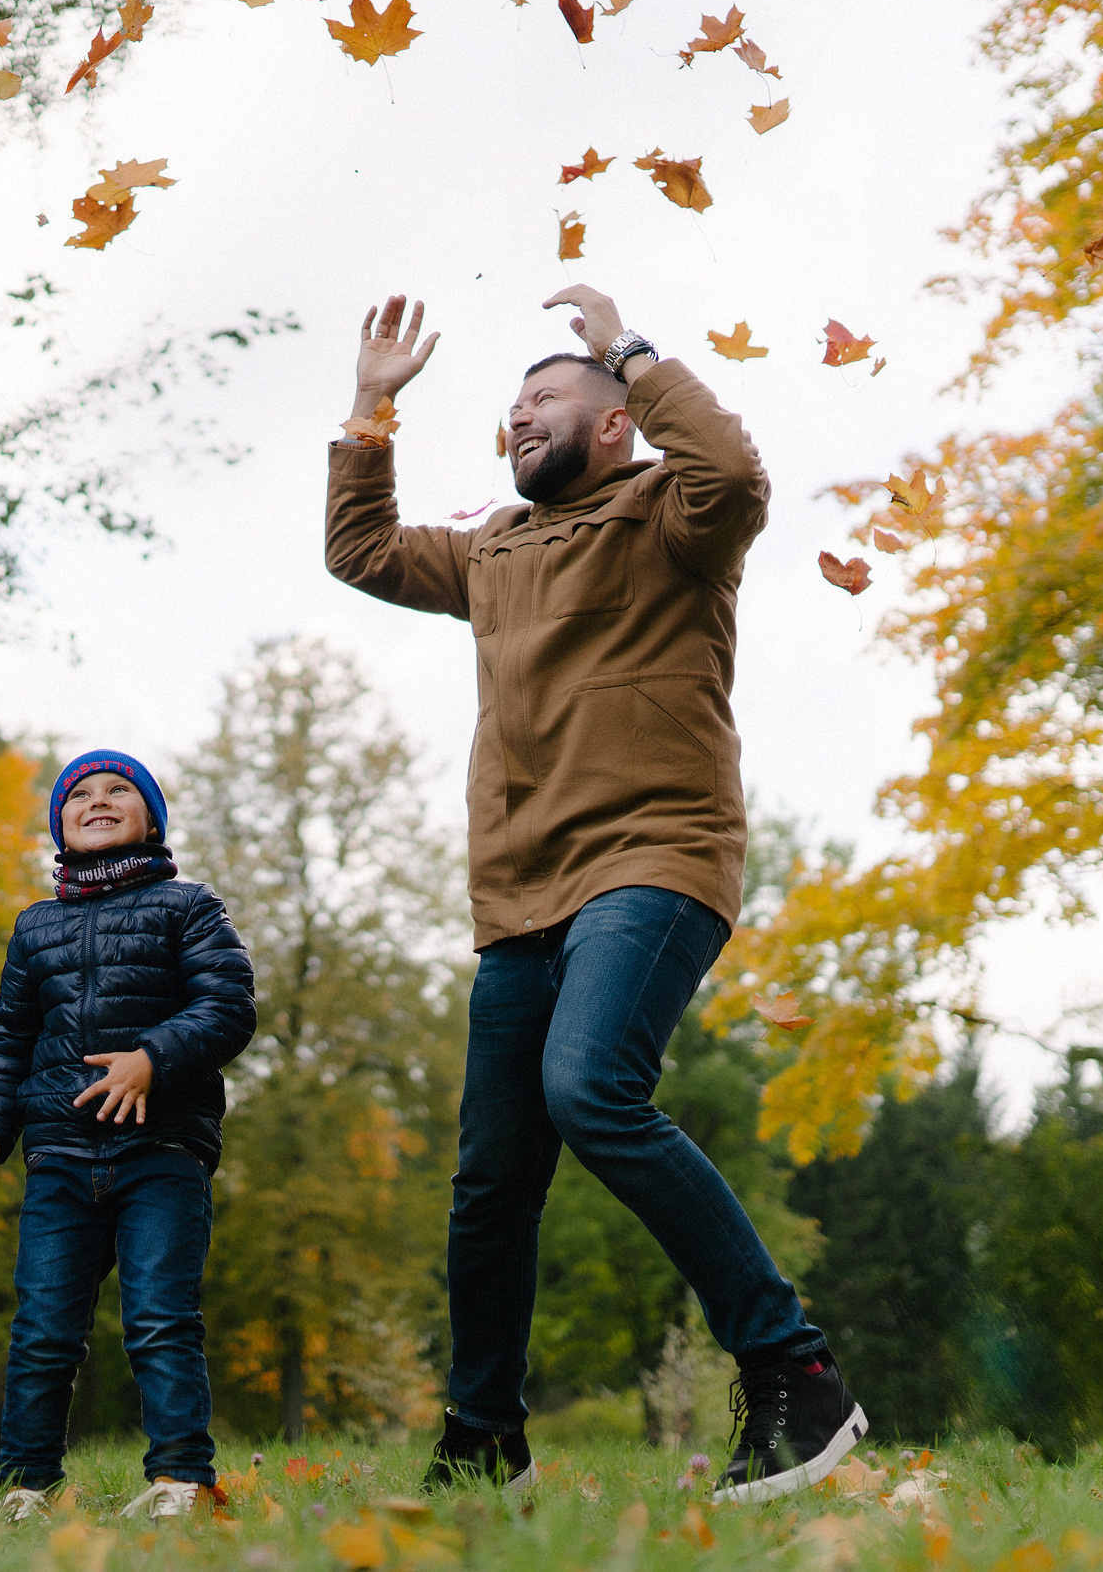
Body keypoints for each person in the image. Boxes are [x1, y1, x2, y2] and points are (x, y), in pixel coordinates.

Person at [323, 288, 865, 1505]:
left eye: (547, 401)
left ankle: (795, 1372)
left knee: (591, 1089)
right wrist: (370, 410)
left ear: (615, 425)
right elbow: (357, 552)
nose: (518, 420)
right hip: (521, 896)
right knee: (490, 1179)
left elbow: (731, 470)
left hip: (653, 857)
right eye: (510, 411)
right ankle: (482, 1441)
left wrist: (625, 348)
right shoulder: (492, 548)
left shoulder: (673, 517)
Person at [0, 753, 256, 1521]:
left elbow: (228, 1005)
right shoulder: (35, 926)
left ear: (151, 817)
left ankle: (181, 1477)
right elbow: (11, 1035)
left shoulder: (187, 907)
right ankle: (26, 1483)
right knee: (44, 1327)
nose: (98, 799)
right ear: (58, 824)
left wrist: (152, 1057)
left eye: (120, 789)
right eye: (78, 794)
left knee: (160, 1317)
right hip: (58, 1154)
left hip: (160, 1150)